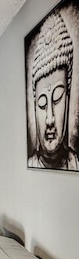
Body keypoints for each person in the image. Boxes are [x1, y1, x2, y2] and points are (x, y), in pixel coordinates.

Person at [27, 10, 79, 170]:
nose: (50, 119)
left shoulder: (75, 163)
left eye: (57, 98)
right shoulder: (31, 164)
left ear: (68, 98)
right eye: (42, 104)